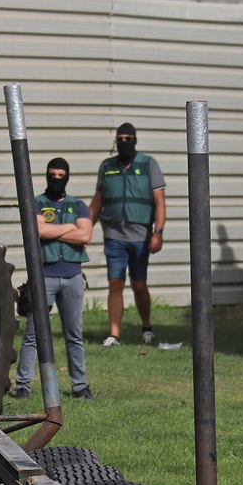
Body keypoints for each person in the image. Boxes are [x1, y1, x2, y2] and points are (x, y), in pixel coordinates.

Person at [15, 157, 94, 401]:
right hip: (44, 276)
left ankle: (79, 386)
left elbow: (86, 236)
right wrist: (71, 228)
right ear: (47, 175)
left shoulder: (78, 205)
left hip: (72, 276)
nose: (56, 180)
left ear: (67, 177)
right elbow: (40, 231)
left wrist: (57, 233)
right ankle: (23, 386)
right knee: (34, 334)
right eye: (52, 175)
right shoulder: (36, 203)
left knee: (74, 334)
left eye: (61, 176)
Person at [89, 122, 166, 347]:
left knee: (139, 285)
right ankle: (114, 335)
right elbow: (97, 202)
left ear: (135, 139)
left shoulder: (149, 164)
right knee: (115, 283)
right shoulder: (107, 166)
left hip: (141, 236)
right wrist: (84, 231)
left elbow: (160, 201)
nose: (124, 143)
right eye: (120, 139)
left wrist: (158, 232)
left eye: (128, 138)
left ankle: (147, 328)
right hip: (114, 236)